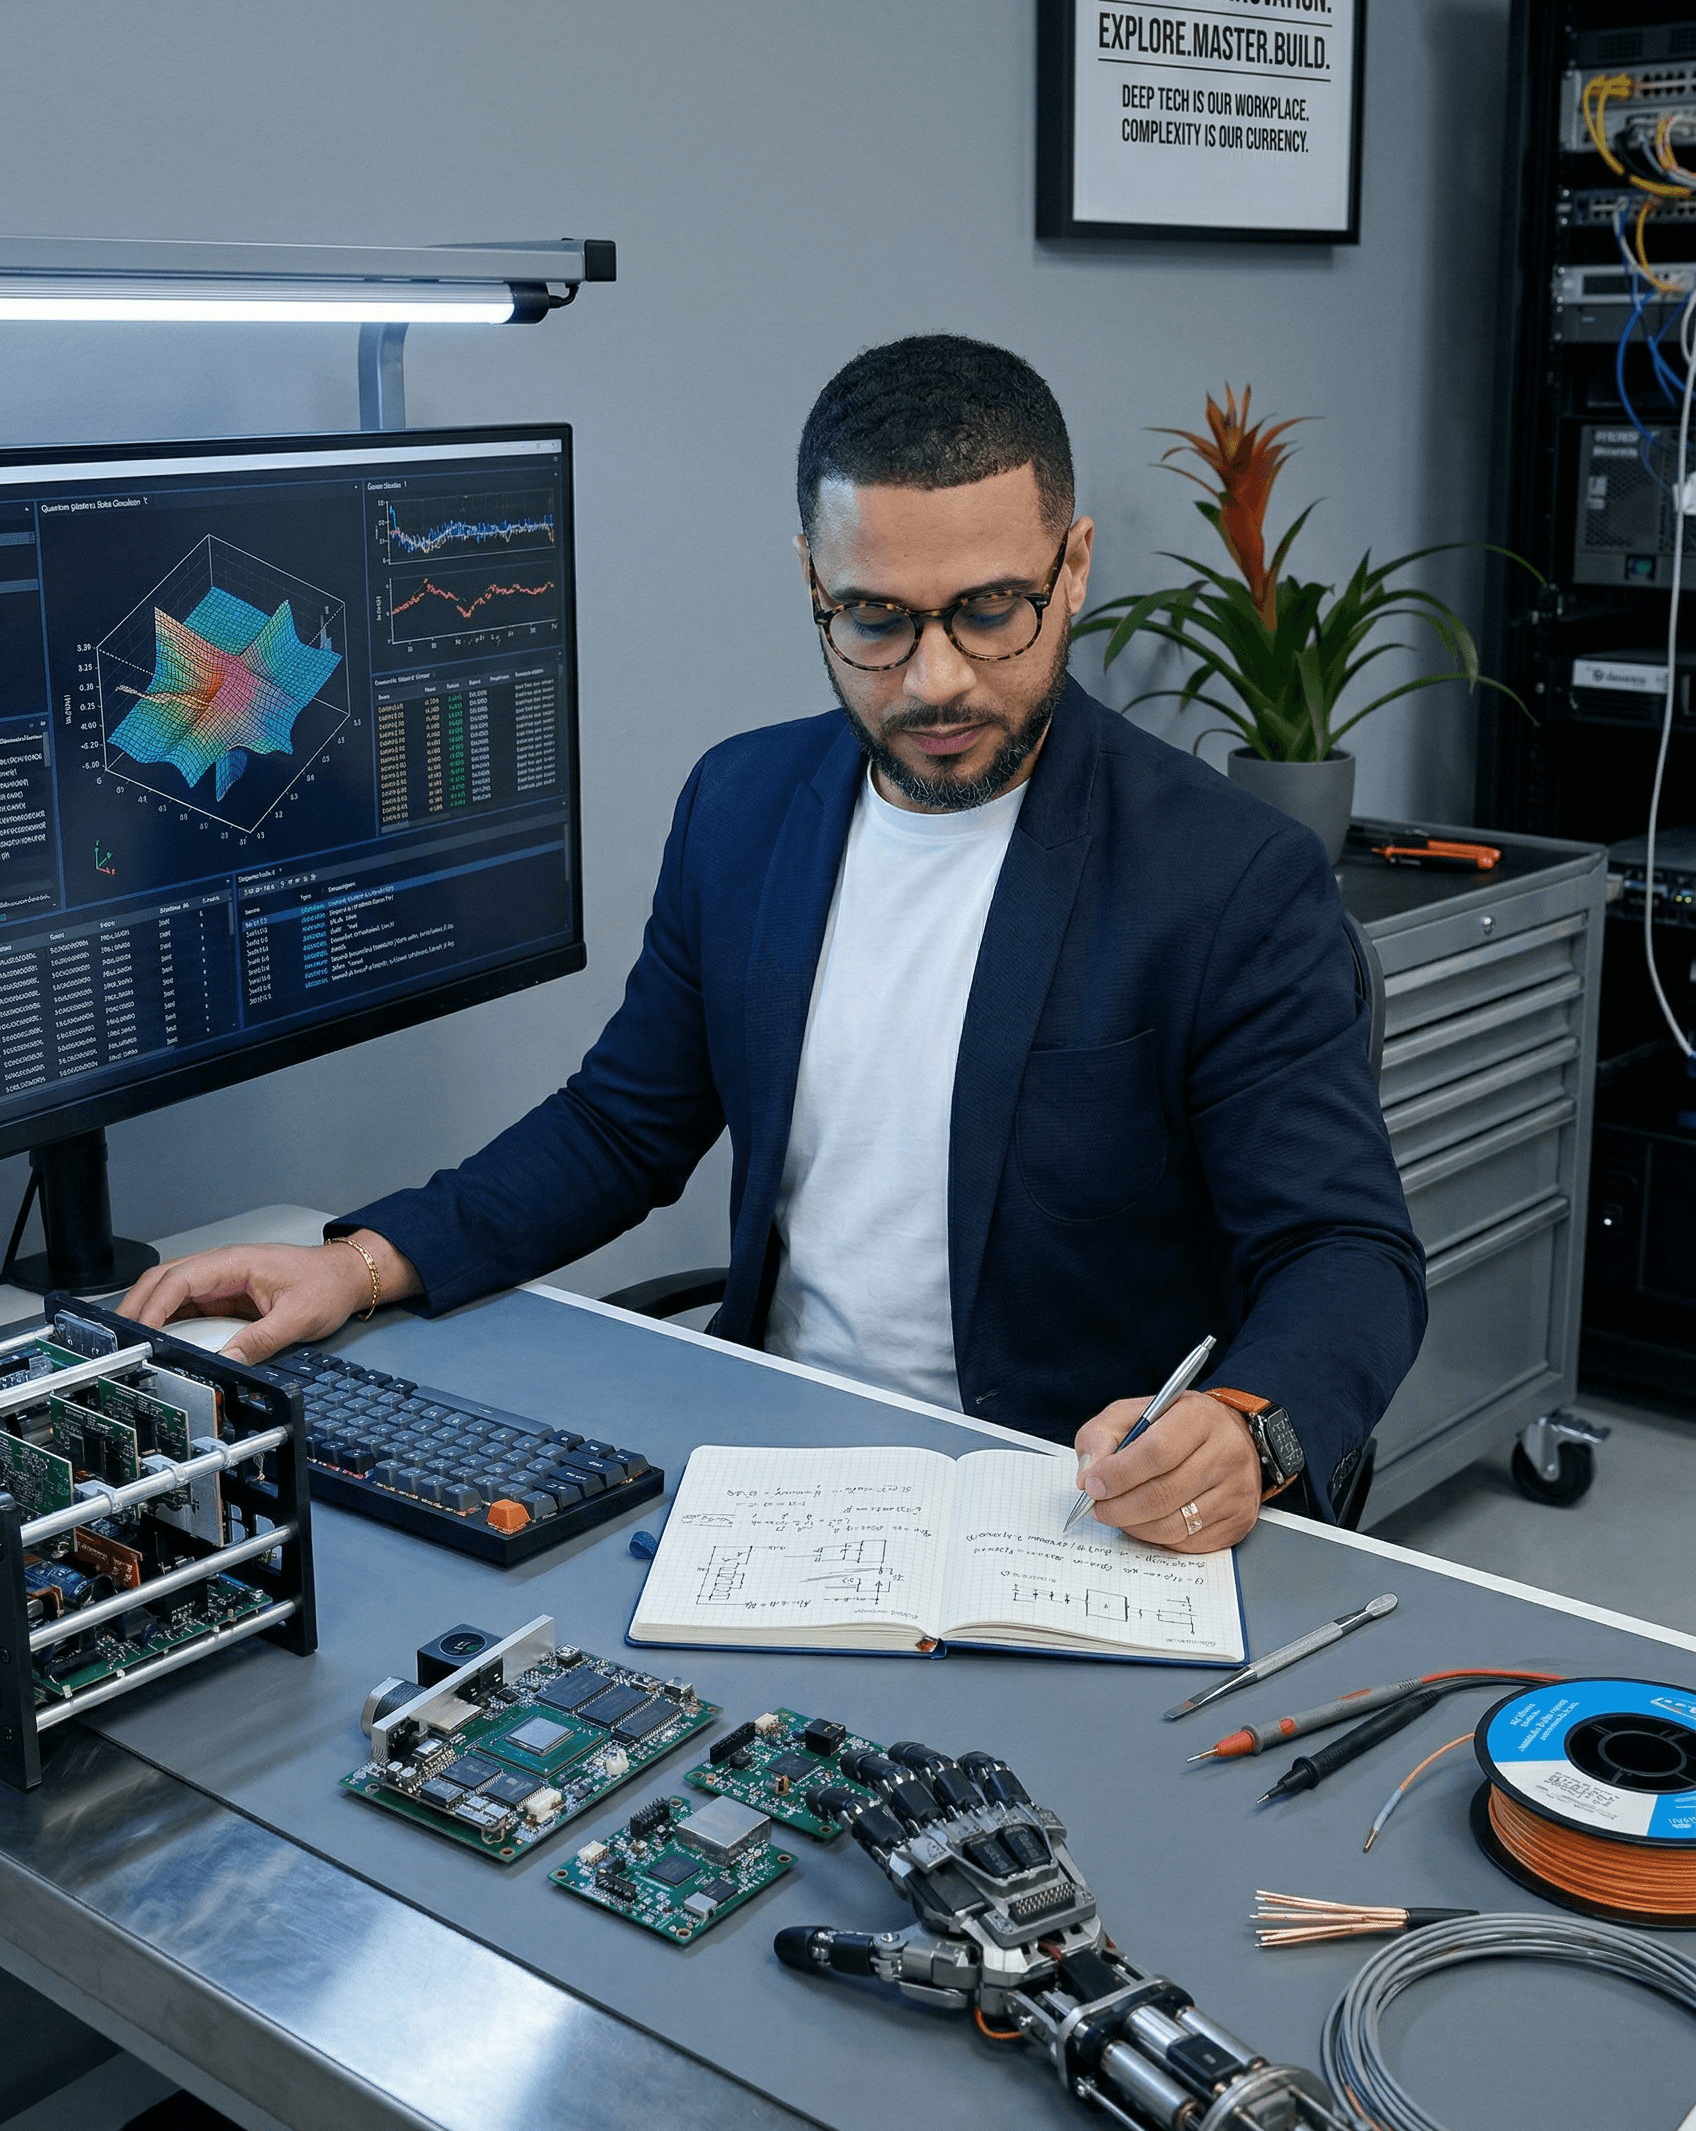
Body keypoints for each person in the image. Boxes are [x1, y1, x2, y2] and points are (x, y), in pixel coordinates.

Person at [122, 334, 1425, 1552]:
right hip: (770, 1474)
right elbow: (622, 1127)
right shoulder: (742, 806)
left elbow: (1345, 1252)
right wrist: (358, 1263)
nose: (935, 682)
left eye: (989, 612)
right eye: (876, 620)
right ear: (812, 582)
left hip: (1058, 1505)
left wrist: (1251, 1428)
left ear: (1072, 568)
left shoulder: (1226, 876)